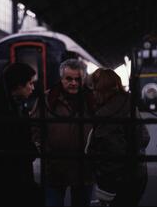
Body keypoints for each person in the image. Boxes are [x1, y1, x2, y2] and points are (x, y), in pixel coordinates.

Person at [0, 63, 43, 207]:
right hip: (1, 182)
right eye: (30, 83)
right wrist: (32, 149)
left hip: (7, 180)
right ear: (18, 85)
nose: (33, 87)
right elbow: (12, 144)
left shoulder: (12, 103)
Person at [31, 59, 95, 207]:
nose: (73, 83)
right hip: (55, 167)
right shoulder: (47, 99)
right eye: (69, 79)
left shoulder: (92, 99)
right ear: (61, 79)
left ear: (83, 79)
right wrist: (43, 148)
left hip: (84, 168)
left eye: (77, 79)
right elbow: (35, 126)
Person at [87, 68, 150, 207]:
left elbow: (112, 156)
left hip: (117, 181)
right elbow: (145, 137)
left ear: (100, 90)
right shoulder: (129, 103)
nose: (92, 93)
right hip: (139, 174)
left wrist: (105, 188)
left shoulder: (106, 115)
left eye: (93, 89)